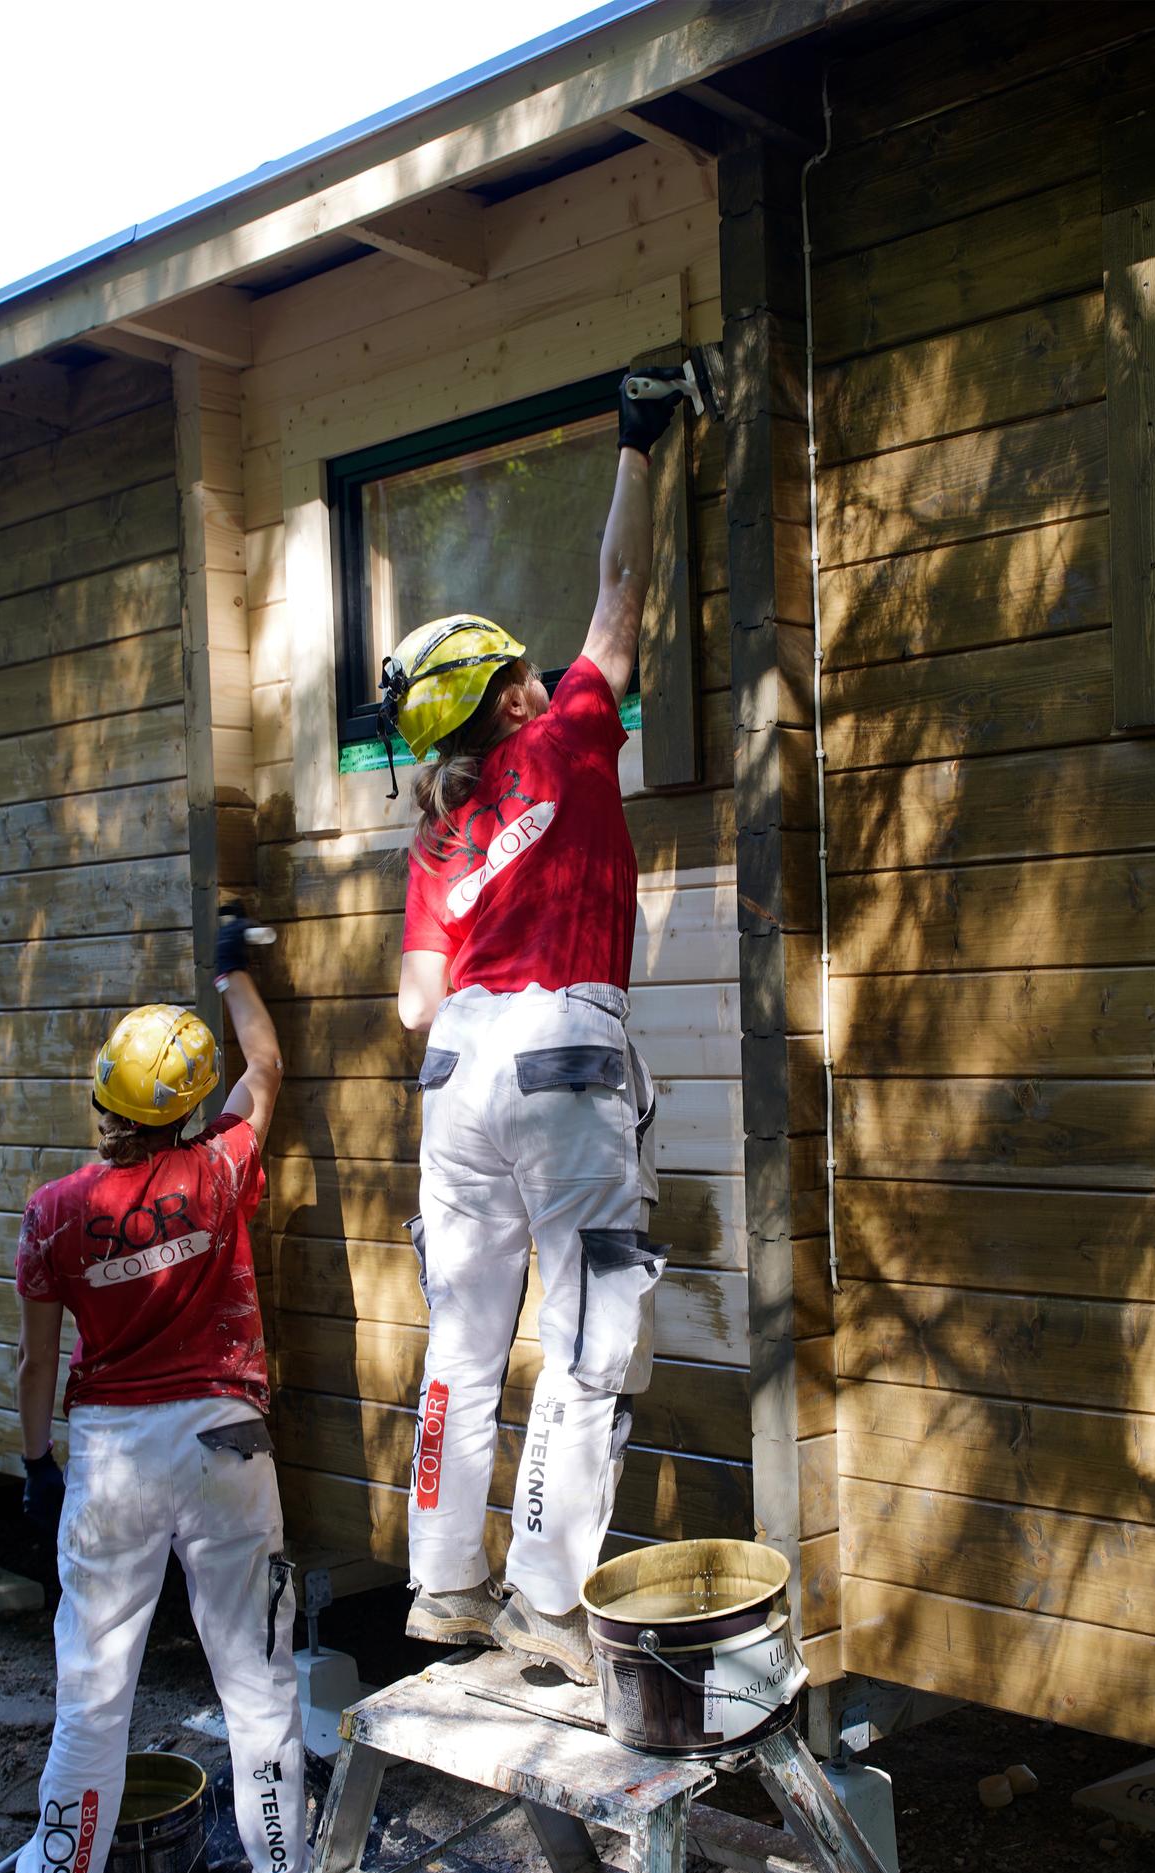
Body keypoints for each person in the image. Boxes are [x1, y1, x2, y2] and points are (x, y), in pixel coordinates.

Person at [383, 368, 687, 1685]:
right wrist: (641, 440)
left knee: (462, 1338)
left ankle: (443, 1588)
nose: (543, 672)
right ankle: (548, 1603)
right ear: (510, 695)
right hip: (562, 1045)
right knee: (583, 1339)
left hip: (455, 1071)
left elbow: (412, 1001)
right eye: (523, 669)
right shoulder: (566, 736)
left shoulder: (440, 836)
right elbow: (621, 598)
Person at [0, 915, 306, 1873]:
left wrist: (38, 1466)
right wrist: (232, 972)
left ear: (105, 1096)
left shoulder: (53, 1216)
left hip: (112, 1458)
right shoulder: (220, 1170)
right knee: (257, 1685)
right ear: (183, 1107)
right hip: (227, 1444)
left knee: (94, 1691)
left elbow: (39, 1368)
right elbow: (265, 1065)